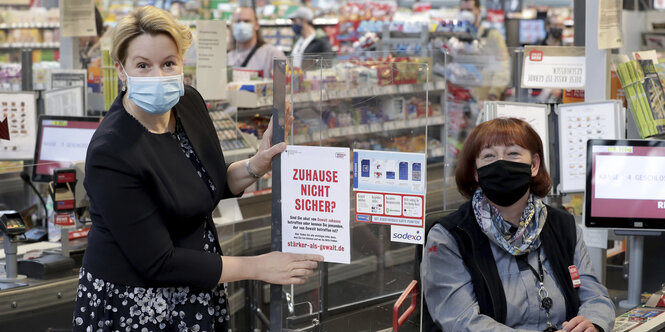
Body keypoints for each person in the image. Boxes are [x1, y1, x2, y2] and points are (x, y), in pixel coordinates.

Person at [73, 6, 322, 331]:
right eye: (143, 66)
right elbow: (159, 263)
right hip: (135, 304)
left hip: (196, 288)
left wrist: (255, 165)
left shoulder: (188, 103)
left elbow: (208, 185)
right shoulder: (111, 151)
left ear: (181, 62)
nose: (158, 76)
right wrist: (259, 267)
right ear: (121, 70)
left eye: (168, 63)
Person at [421, 118, 615, 332]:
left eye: (513, 153)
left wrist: (593, 323)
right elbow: (462, 321)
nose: (501, 163)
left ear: (534, 165)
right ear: (476, 173)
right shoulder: (450, 237)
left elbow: (595, 296)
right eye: (489, 156)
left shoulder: (562, 226)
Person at [458, 0, 510, 101]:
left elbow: (503, 67)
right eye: (462, 10)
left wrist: (494, 94)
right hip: (460, 103)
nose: (465, 14)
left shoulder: (492, 36)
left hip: (485, 101)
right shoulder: (456, 37)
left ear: (478, 11)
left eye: (469, 10)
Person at [227, 6, 285, 78]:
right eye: (238, 21)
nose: (241, 26)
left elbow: (284, 86)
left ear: (256, 25)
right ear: (232, 25)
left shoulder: (274, 55)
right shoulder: (227, 57)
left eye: (246, 21)